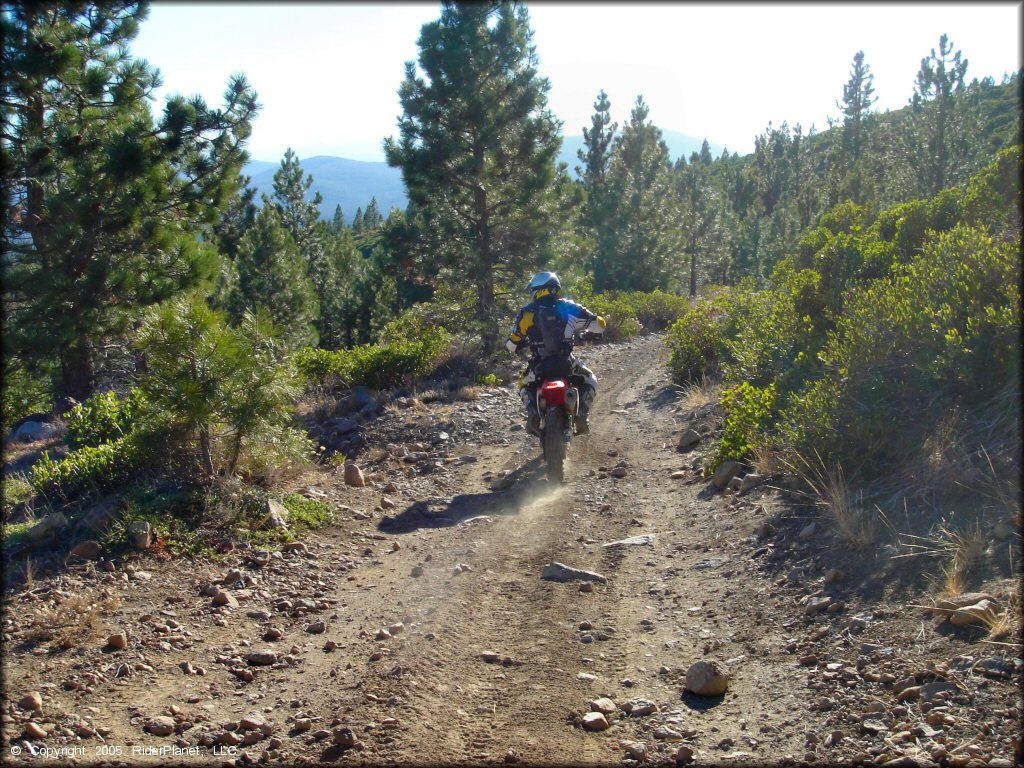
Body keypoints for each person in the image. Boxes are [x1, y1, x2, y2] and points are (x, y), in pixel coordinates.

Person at [505, 271, 606, 436]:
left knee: (523, 384)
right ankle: (582, 413)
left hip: (539, 367)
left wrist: (519, 344)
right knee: (590, 379)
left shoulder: (527, 312)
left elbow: (511, 345)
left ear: (538, 289)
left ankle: (532, 412)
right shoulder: (568, 306)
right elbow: (599, 325)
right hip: (566, 364)